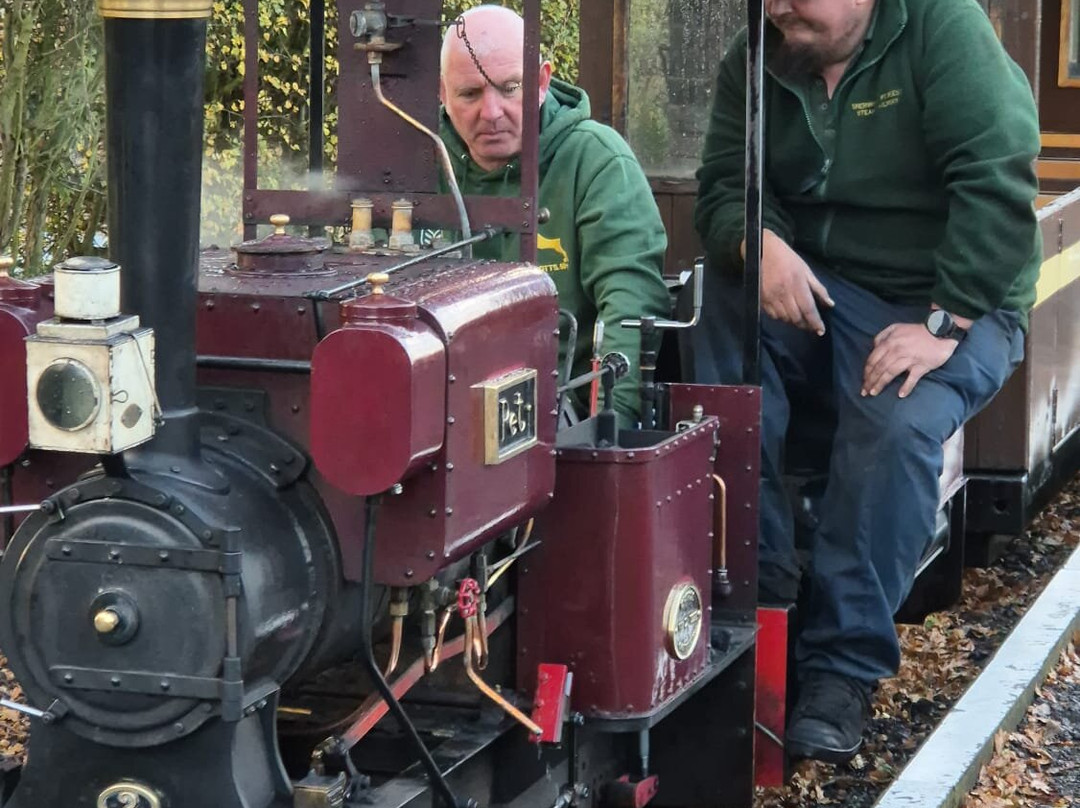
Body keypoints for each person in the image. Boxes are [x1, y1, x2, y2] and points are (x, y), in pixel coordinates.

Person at [694, 0, 1040, 764]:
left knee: (894, 424)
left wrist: (945, 322)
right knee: (722, 296)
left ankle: (841, 671)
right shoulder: (756, 53)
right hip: (823, 286)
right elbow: (722, 183)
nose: (777, 8)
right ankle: (757, 586)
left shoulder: (942, 29)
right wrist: (758, 241)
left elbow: (998, 178)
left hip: (950, 298)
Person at [439, 5, 671, 426]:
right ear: (441, 93)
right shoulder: (413, 168)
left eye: (510, 88)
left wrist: (609, 427)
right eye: (470, 94)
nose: (491, 112)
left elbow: (630, 306)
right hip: (435, 403)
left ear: (542, 81)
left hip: (558, 409)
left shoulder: (597, 161)